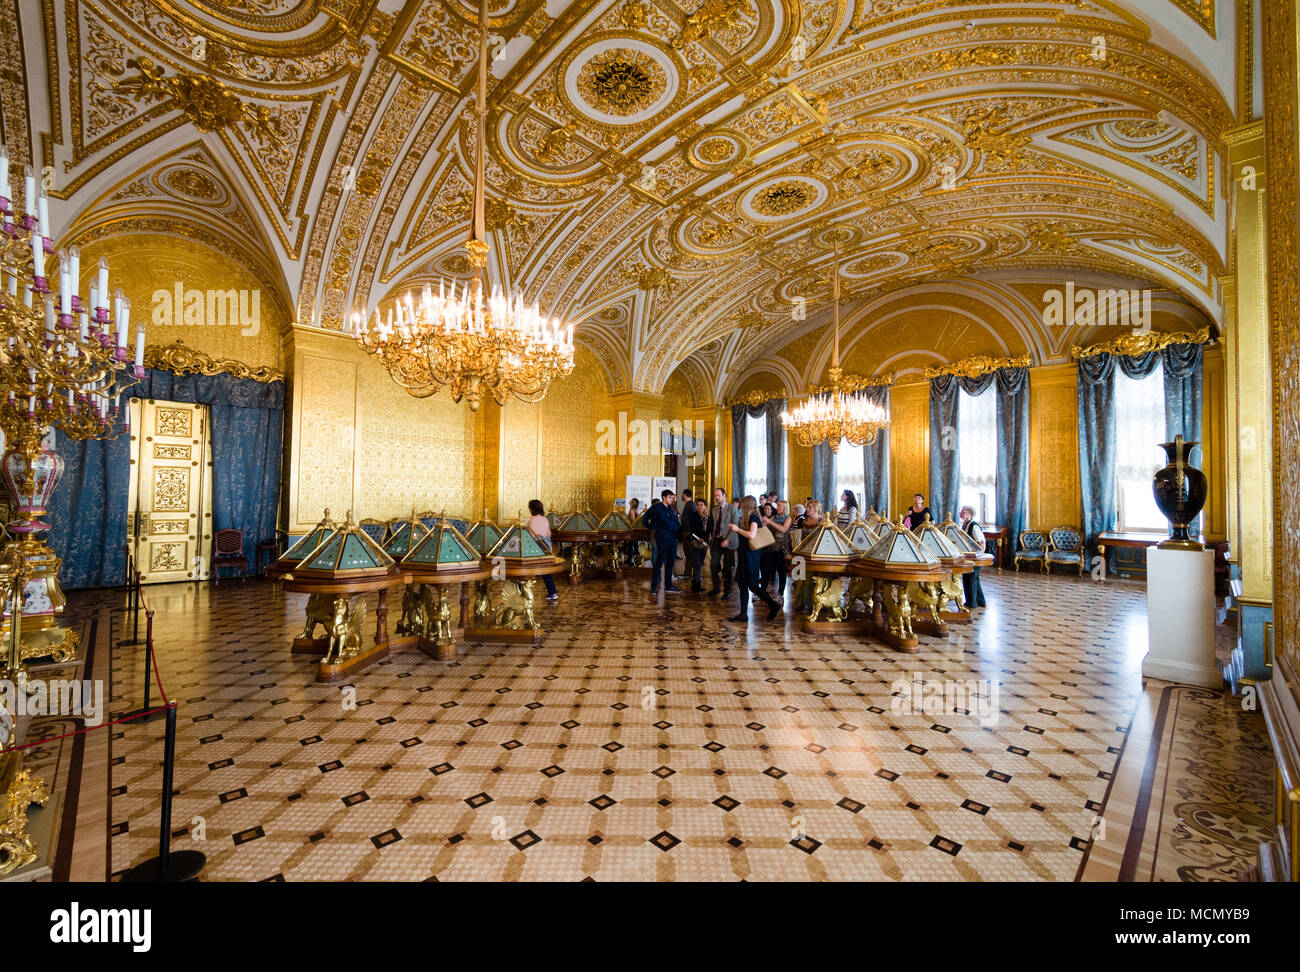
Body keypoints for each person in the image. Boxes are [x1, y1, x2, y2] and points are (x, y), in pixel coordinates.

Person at [727, 496, 781, 622]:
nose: (741, 506)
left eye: (743, 504)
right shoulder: (747, 518)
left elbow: (751, 535)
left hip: (751, 556)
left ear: (746, 505)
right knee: (742, 583)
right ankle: (743, 614)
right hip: (744, 554)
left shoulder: (754, 518)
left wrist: (737, 529)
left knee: (752, 584)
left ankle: (773, 605)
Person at [644, 489, 681, 595]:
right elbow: (666, 522)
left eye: (672, 497)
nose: (671, 499)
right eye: (669, 497)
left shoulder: (670, 508)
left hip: (672, 538)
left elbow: (676, 523)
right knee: (659, 563)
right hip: (663, 539)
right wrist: (654, 527)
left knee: (670, 563)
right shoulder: (658, 508)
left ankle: (668, 586)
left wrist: (673, 526)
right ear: (664, 497)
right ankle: (654, 588)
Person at [707, 487, 738, 598]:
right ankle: (716, 588)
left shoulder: (732, 508)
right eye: (715, 495)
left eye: (718, 495)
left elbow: (735, 526)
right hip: (717, 540)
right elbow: (713, 525)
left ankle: (727, 592)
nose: (716, 497)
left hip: (730, 540)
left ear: (724, 496)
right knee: (713, 565)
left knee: (727, 568)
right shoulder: (714, 510)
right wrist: (711, 535)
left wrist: (727, 540)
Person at [528, 500, 559, 601]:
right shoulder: (545, 519)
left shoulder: (532, 520)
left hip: (536, 547)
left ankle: (523, 592)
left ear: (532, 509)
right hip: (546, 547)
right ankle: (553, 592)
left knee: (525, 569)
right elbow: (548, 534)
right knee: (545, 570)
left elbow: (531, 535)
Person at [762, 500, 793, 597]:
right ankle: (762, 591)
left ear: (785, 508)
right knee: (766, 570)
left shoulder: (788, 518)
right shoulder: (773, 517)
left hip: (782, 548)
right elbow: (763, 527)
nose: (778, 508)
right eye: (778, 506)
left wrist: (770, 522)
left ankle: (780, 593)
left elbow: (783, 529)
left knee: (781, 570)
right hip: (771, 546)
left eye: (780, 506)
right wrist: (763, 521)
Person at [959, 505, 987, 608]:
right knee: (973, 578)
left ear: (969, 514)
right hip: (968, 556)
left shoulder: (973, 526)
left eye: (963, 512)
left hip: (974, 557)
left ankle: (971, 603)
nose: (961, 513)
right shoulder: (965, 525)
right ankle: (981, 601)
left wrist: (978, 556)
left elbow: (981, 542)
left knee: (970, 578)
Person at [681, 496, 708, 593]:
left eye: (702, 505)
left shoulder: (707, 517)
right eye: (698, 505)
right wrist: (699, 537)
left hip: (704, 543)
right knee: (696, 564)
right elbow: (692, 529)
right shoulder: (693, 516)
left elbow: (709, 529)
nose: (699, 507)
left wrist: (705, 538)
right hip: (695, 542)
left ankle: (696, 585)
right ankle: (696, 586)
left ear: (705, 506)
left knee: (699, 564)